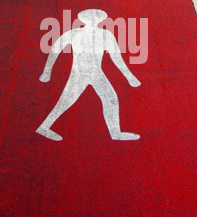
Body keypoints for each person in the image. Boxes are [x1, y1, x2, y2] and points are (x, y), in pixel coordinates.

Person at [36, 9, 141, 141]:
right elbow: (56, 48)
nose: (92, 21)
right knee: (65, 101)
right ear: (82, 20)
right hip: (79, 73)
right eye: (88, 19)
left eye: (95, 19)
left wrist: (130, 77)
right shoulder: (74, 34)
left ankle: (116, 133)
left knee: (111, 98)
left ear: (100, 20)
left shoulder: (106, 36)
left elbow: (117, 58)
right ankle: (44, 127)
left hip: (97, 73)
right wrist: (47, 71)